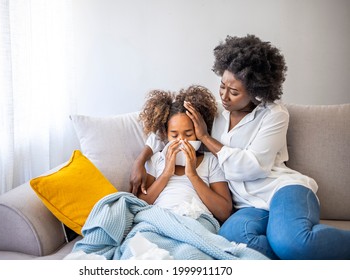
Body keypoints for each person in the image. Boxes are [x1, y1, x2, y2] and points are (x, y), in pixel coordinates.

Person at [130, 34, 350, 260]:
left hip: (281, 190)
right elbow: (169, 129)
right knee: (228, 242)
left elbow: (253, 167)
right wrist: (140, 161)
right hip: (246, 206)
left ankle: (293, 246)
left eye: (234, 92)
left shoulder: (274, 115)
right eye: (222, 86)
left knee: (292, 243)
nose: (224, 96)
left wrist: (206, 138)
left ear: (256, 91)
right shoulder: (215, 111)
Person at [137, 85, 233, 223]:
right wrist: (166, 174)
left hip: (197, 221)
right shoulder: (157, 160)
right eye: (174, 135)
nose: (181, 140)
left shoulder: (211, 161)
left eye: (188, 134)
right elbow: (141, 205)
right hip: (160, 219)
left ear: (198, 133)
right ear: (166, 135)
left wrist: (193, 175)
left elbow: (224, 212)